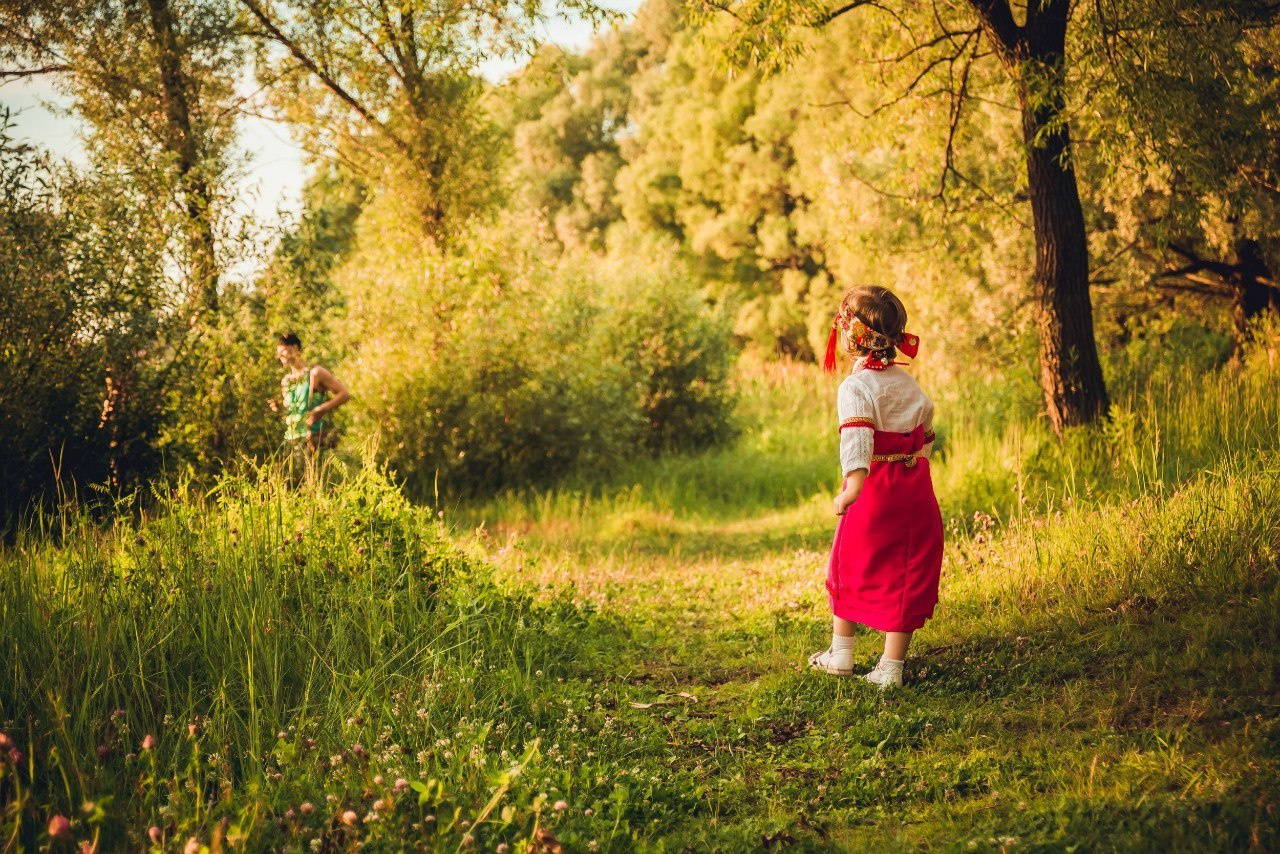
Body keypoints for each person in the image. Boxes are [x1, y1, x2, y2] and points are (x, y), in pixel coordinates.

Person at [807, 286, 944, 689]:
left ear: (853, 337)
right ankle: (891, 667)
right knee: (907, 570)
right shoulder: (908, 383)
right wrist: (915, 463)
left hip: (874, 488)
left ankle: (842, 652)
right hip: (914, 486)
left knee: (850, 563)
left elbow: (858, 438)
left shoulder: (856, 387)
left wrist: (852, 486)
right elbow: (926, 434)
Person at [275, 332, 350, 453]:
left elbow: (344, 394)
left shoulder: (314, 373)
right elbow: (289, 413)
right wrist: (278, 409)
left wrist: (322, 409)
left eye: (282, 351)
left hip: (313, 436)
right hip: (291, 439)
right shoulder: (287, 381)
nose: (279, 355)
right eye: (278, 353)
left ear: (295, 348)